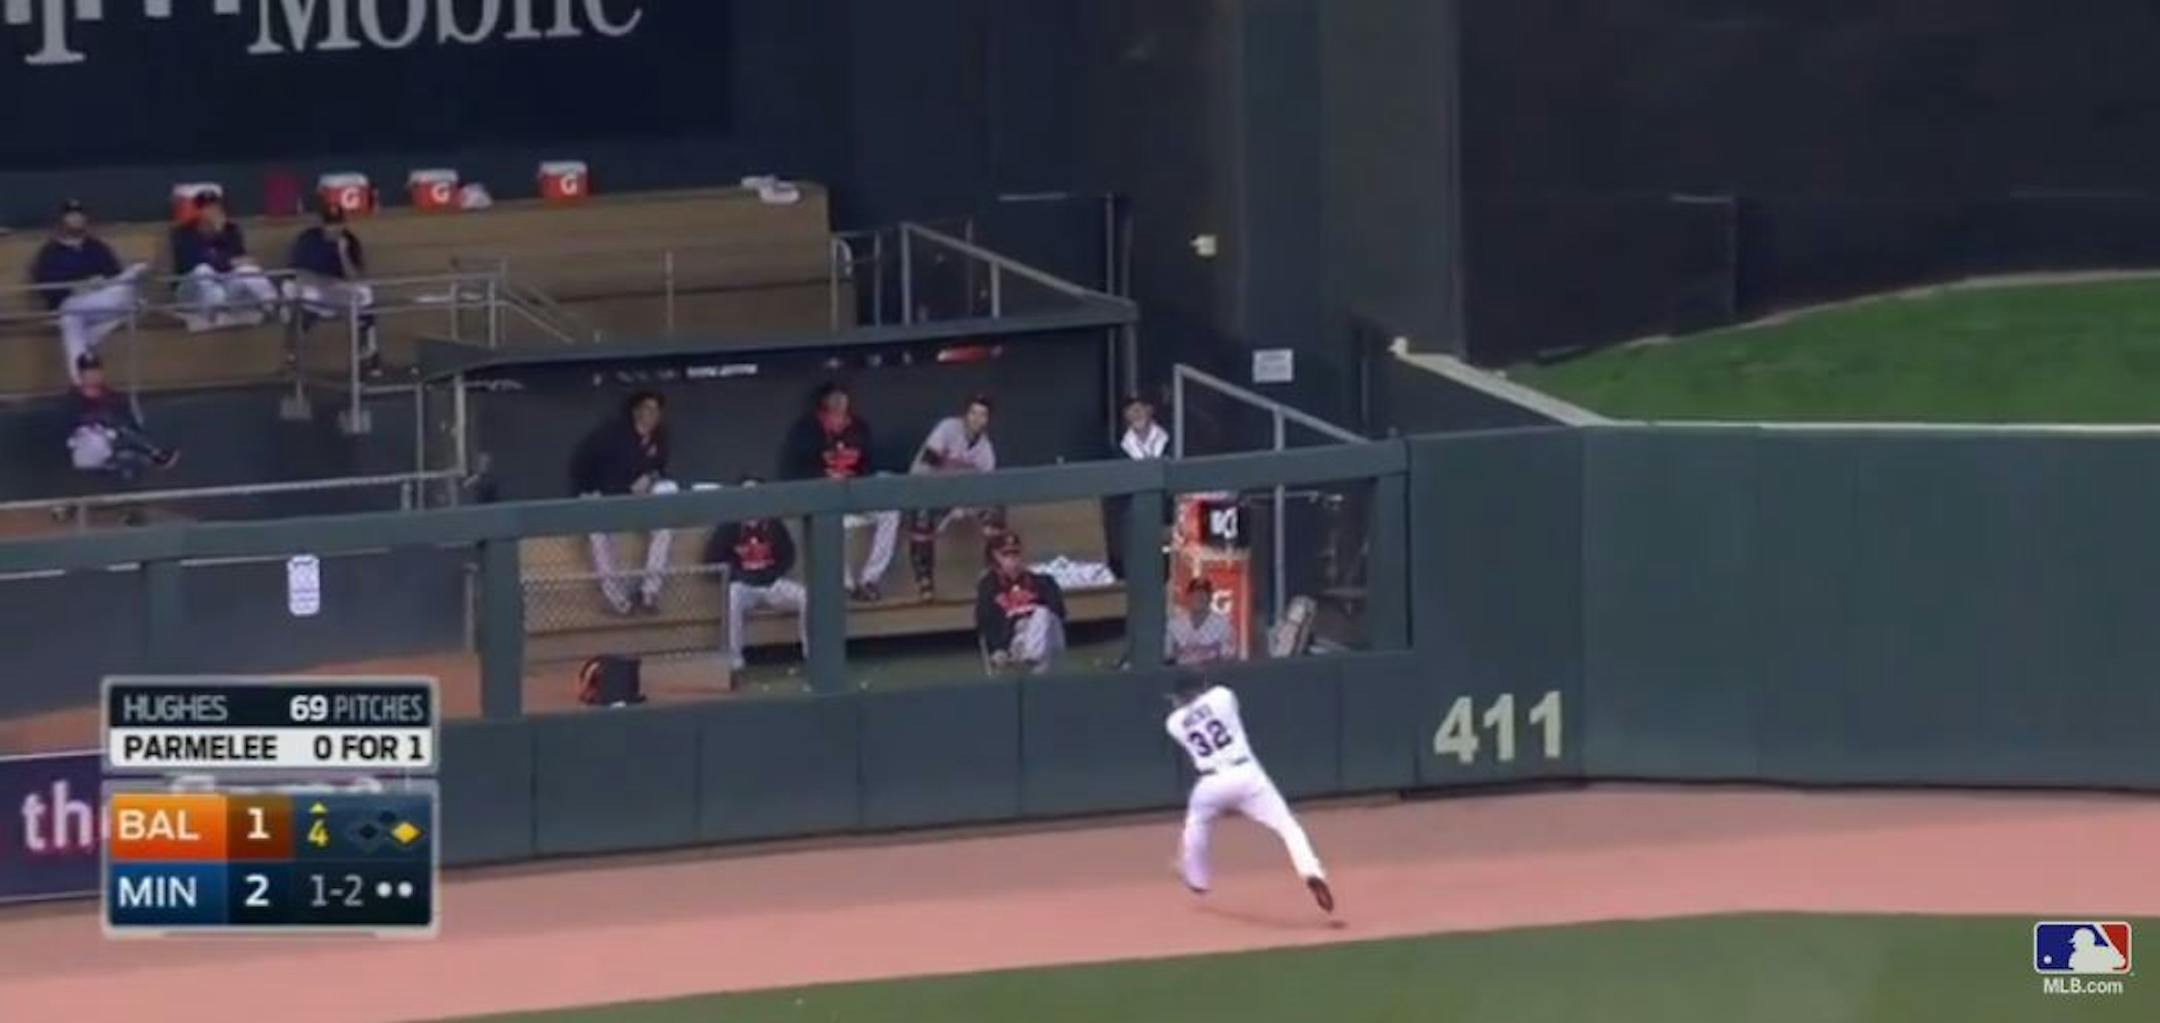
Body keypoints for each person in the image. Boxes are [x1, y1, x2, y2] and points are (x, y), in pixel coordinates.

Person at [1165, 670, 1333, 913]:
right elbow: (1212, 704)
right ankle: (1311, 871)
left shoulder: (1174, 723)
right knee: (1288, 827)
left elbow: (1187, 711)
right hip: (1247, 774)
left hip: (1210, 783)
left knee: (1195, 825)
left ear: (1182, 696)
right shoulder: (1222, 696)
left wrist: (1189, 703)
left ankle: (1197, 879)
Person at [783, 382, 899, 601]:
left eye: (842, 397)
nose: (839, 402)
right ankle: (844, 584)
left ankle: (870, 579)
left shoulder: (859, 427)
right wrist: (824, 477)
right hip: (822, 496)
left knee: (890, 511)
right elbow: (793, 470)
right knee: (833, 520)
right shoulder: (807, 429)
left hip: (854, 492)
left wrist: (857, 479)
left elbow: (869, 465)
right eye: (834, 398)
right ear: (824, 402)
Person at [569, 392, 677, 615]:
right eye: (648, 409)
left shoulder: (660, 436)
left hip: (640, 503)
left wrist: (650, 478)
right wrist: (623, 488)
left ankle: (649, 592)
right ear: (636, 411)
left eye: (657, 410)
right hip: (606, 497)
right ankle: (616, 599)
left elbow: (660, 468)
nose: (653, 415)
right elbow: (588, 467)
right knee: (597, 533)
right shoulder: (613, 435)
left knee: (665, 519)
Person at [29, 200, 147, 383]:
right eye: (71, 216)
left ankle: (81, 381)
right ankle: (82, 382)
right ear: (62, 220)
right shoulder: (50, 252)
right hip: (71, 303)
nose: (76, 219)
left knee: (118, 292)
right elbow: (47, 288)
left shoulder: (97, 247)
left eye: (79, 215)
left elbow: (113, 275)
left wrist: (100, 284)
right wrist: (77, 287)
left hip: (102, 304)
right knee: (71, 317)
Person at [703, 478, 807, 674]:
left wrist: (771, 574)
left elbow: (788, 555)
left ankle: (811, 653)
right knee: (733, 597)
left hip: (771, 583)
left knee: (805, 596)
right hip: (744, 585)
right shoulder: (730, 525)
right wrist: (739, 575)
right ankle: (735, 658)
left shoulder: (773, 523)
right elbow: (711, 559)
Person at [909, 394, 1005, 601]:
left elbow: (987, 488)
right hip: (927, 489)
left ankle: (991, 575)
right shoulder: (948, 428)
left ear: (987, 420)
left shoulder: (985, 450)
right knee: (921, 514)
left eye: (982, 415)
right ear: (965, 414)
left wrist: (964, 505)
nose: (976, 419)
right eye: (973, 413)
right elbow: (928, 463)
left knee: (996, 509)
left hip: (961, 499)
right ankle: (924, 581)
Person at [286, 204, 380, 371]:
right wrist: (325, 283)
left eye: (337, 223)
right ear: (322, 223)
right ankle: (292, 354)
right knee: (302, 292)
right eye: (329, 224)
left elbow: (355, 277)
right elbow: (298, 272)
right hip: (311, 287)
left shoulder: (349, 240)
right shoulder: (308, 239)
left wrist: (343, 253)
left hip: (336, 291)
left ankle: (368, 349)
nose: (333, 228)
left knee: (365, 293)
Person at [170, 192, 280, 326]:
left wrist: (220, 234)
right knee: (203, 271)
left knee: (248, 270)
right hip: (190, 290)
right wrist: (228, 262)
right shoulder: (183, 233)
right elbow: (193, 262)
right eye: (207, 208)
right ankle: (216, 315)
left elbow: (242, 260)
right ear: (198, 212)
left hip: (224, 286)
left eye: (216, 208)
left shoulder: (230, 230)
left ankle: (274, 306)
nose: (213, 213)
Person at [64, 354, 177, 481]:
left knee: (126, 451)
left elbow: (129, 425)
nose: (92, 375)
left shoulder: (114, 398)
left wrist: (115, 427)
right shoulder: (72, 400)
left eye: (95, 371)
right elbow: (67, 427)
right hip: (83, 448)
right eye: (87, 372)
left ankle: (151, 456)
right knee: (97, 436)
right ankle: (154, 453)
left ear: (101, 373)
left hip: (114, 446)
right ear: (80, 375)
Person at [976, 532, 1066, 674]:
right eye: (1006, 554)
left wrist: (1030, 617)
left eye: (1016, 553)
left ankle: (1030, 656)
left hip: (1048, 638)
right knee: (1025, 633)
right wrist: (999, 647)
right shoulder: (989, 587)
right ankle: (1031, 657)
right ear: (996, 556)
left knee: (1042, 614)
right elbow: (985, 621)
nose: (1013, 558)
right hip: (1014, 641)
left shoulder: (1043, 582)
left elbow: (1059, 612)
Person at [1104, 393, 1170, 579]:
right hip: (1136, 524)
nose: (1135, 415)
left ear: (1150, 410)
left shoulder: (1170, 441)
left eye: (1139, 409)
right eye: (1130, 411)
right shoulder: (1120, 451)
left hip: (1168, 519)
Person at [1166, 577, 1236, 666]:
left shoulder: (1223, 624)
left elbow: (1229, 659)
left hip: (1212, 673)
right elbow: (1167, 656)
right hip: (1180, 673)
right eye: (1195, 594)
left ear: (1210, 598)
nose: (1199, 597)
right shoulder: (1174, 624)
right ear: (1188, 597)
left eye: (1203, 594)